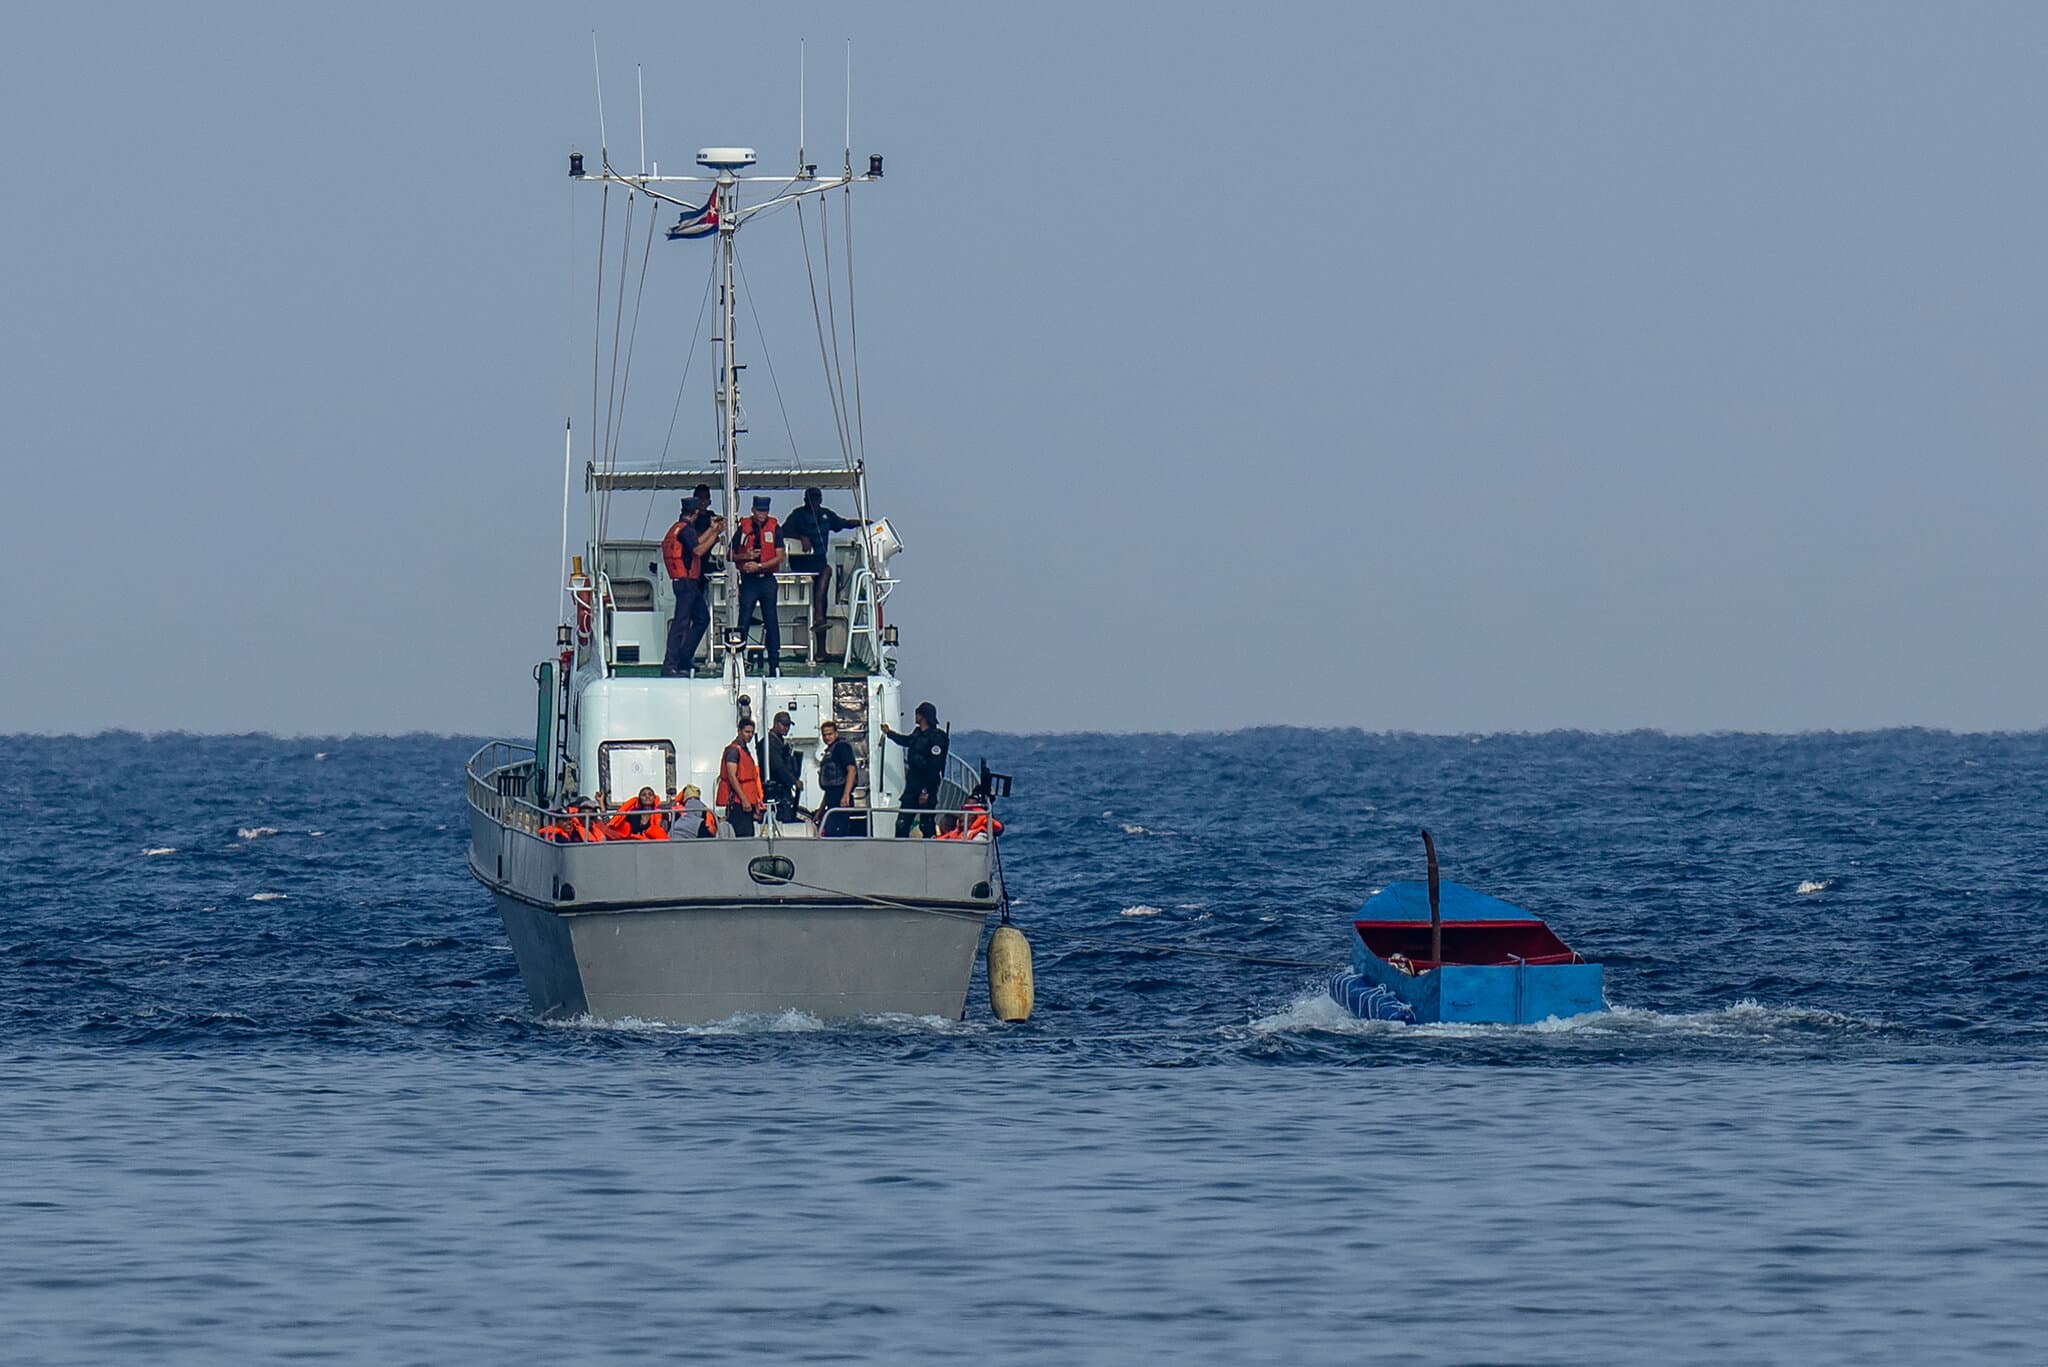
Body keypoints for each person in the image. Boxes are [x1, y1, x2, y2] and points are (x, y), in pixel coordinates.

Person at [780, 486, 865, 646]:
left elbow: (843, 523)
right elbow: (783, 531)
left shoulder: (826, 515)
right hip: (801, 562)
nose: (815, 502)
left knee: (823, 589)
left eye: (817, 498)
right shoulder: (798, 515)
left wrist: (862, 523)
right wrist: (801, 537)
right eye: (811, 499)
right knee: (825, 574)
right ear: (806, 500)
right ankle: (819, 616)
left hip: (819, 561)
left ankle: (820, 641)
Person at [661, 499, 725, 676]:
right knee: (680, 623)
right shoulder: (686, 529)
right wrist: (716, 534)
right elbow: (698, 550)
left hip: (684, 583)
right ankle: (670, 664)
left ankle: (683, 659)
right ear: (695, 513)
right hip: (686, 583)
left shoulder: (679, 528)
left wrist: (713, 530)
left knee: (702, 618)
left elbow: (695, 542)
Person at [731, 495, 784, 675]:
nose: (762, 514)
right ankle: (738, 662)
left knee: (771, 620)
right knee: (743, 620)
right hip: (749, 582)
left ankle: (774, 663)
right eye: (759, 510)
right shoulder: (743, 529)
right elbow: (730, 554)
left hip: (767, 580)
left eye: (765, 511)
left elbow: (779, 556)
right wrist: (746, 557)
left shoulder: (775, 528)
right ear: (753, 510)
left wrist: (759, 565)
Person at [882, 701, 949, 838]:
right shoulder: (917, 734)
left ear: (922, 716)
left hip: (926, 785)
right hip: (913, 784)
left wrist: (925, 791)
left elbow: (934, 767)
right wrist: (889, 733)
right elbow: (906, 741)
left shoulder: (937, 738)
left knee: (926, 824)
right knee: (902, 823)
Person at [716, 719, 767, 837]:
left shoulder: (744, 750)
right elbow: (732, 776)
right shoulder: (733, 751)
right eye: (746, 732)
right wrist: (744, 799)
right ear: (739, 731)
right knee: (744, 835)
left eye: (751, 732)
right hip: (738, 803)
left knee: (749, 833)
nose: (749, 735)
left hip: (747, 802)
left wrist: (755, 803)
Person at [816, 719, 858, 837]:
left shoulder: (842, 747)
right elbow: (829, 788)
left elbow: (852, 770)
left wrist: (845, 795)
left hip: (841, 796)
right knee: (830, 831)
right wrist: (821, 808)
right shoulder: (830, 751)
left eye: (830, 734)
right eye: (824, 735)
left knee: (838, 832)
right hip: (832, 797)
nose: (827, 737)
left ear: (836, 733)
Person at [765, 711, 802, 823]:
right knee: (783, 820)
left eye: (788, 725)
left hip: (783, 791)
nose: (786, 728)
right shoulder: (770, 743)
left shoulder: (778, 742)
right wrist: (794, 781)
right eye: (783, 725)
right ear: (775, 723)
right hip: (776, 792)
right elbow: (778, 767)